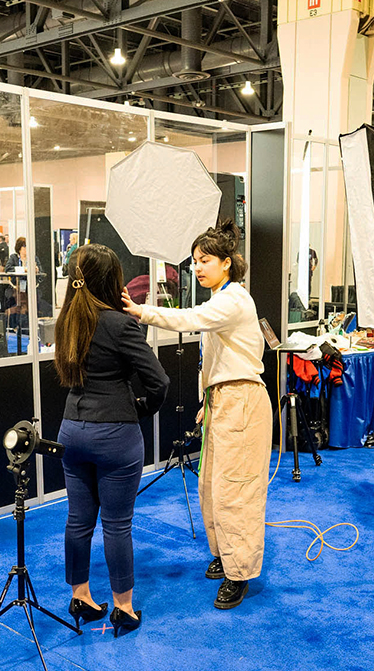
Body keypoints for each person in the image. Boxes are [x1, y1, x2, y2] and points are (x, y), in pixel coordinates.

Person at [122, 219, 270, 611]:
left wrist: (142, 311)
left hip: (242, 400)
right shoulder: (222, 299)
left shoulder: (233, 299)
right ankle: (225, 555)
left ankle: (240, 573)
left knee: (235, 491)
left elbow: (190, 320)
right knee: (211, 488)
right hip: (222, 401)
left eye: (204, 260)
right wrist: (207, 401)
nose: (197, 267)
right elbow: (214, 359)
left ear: (226, 263)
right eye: (194, 261)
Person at [55, 244, 169, 638]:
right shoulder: (120, 325)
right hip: (116, 434)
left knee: (78, 520)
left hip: (71, 431)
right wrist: (138, 408)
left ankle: (80, 596)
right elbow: (160, 382)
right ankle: (123, 607)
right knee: (117, 525)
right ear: (113, 282)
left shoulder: (67, 318)